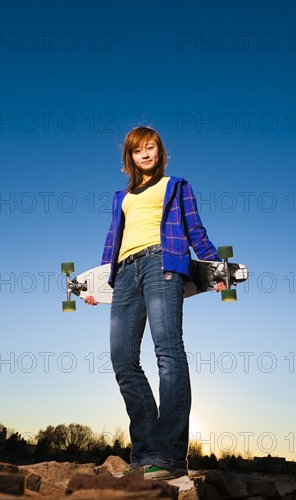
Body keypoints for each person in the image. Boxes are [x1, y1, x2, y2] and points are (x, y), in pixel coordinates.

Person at [85, 126, 225, 480]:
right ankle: (146, 454)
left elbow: (196, 230)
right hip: (125, 273)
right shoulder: (122, 196)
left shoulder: (176, 186)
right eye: (138, 150)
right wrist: (96, 285)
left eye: (151, 148)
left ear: (160, 152)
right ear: (129, 157)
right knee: (122, 360)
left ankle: (169, 457)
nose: (145, 154)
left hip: (163, 263)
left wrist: (215, 268)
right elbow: (110, 244)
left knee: (167, 351)